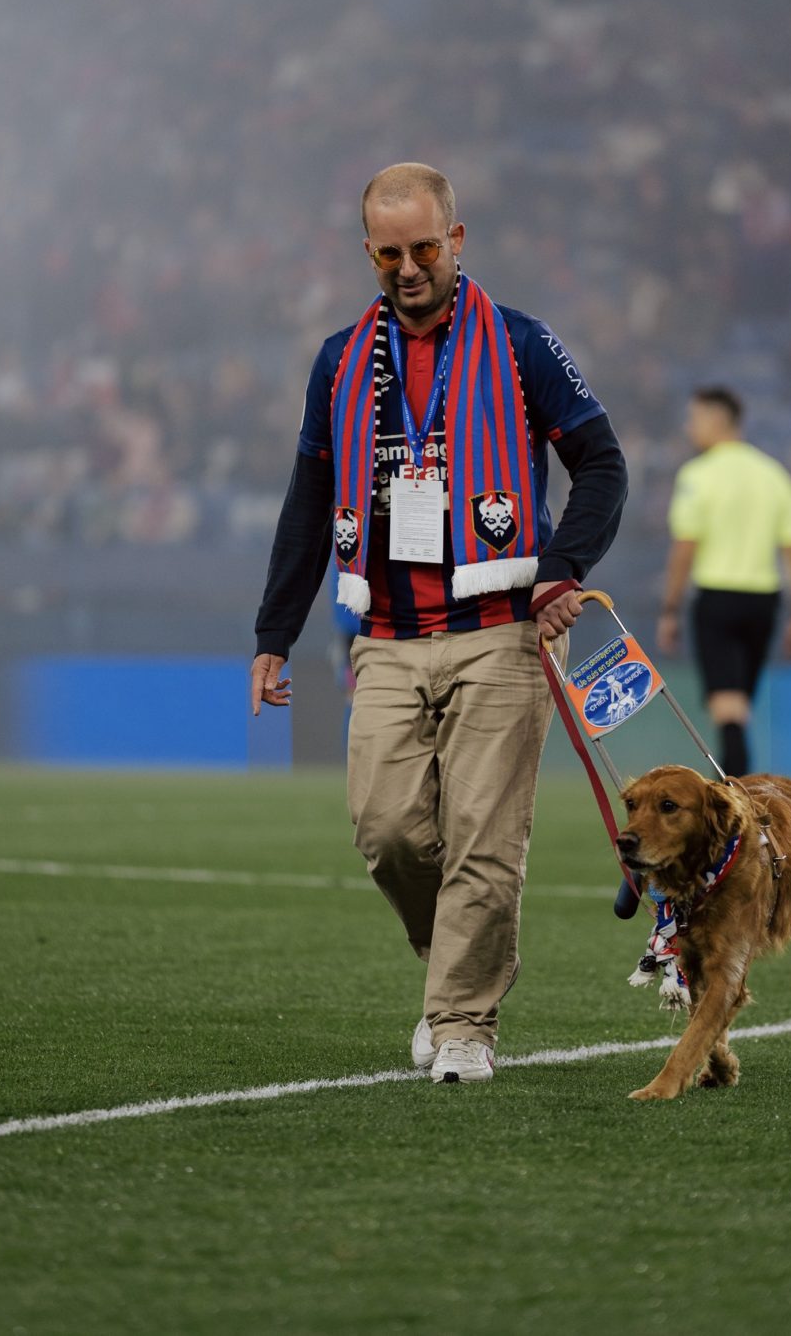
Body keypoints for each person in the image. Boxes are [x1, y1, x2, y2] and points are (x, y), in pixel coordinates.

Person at [251, 162, 627, 1084]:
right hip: (382, 635)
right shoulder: (339, 360)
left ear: (456, 240)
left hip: (504, 632)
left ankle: (462, 1025)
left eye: (425, 247)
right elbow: (307, 501)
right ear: (368, 252)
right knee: (388, 833)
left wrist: (563, 571)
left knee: (484, 841)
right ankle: (470, 952)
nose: (409, 266)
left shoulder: (525, 343)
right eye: (391, 251)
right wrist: (273, 633)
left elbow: (604, 466)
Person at [656, 386, 791, 777]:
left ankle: (735, 794)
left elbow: (685, 548)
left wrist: (670, 609)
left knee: (728, 710)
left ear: (715, 420)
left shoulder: (697, 475)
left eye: (694, 418)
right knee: (738, 706)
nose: (690, 427)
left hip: (718, 598)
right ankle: (735, 788)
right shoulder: (775, 476)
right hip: (765, 600)